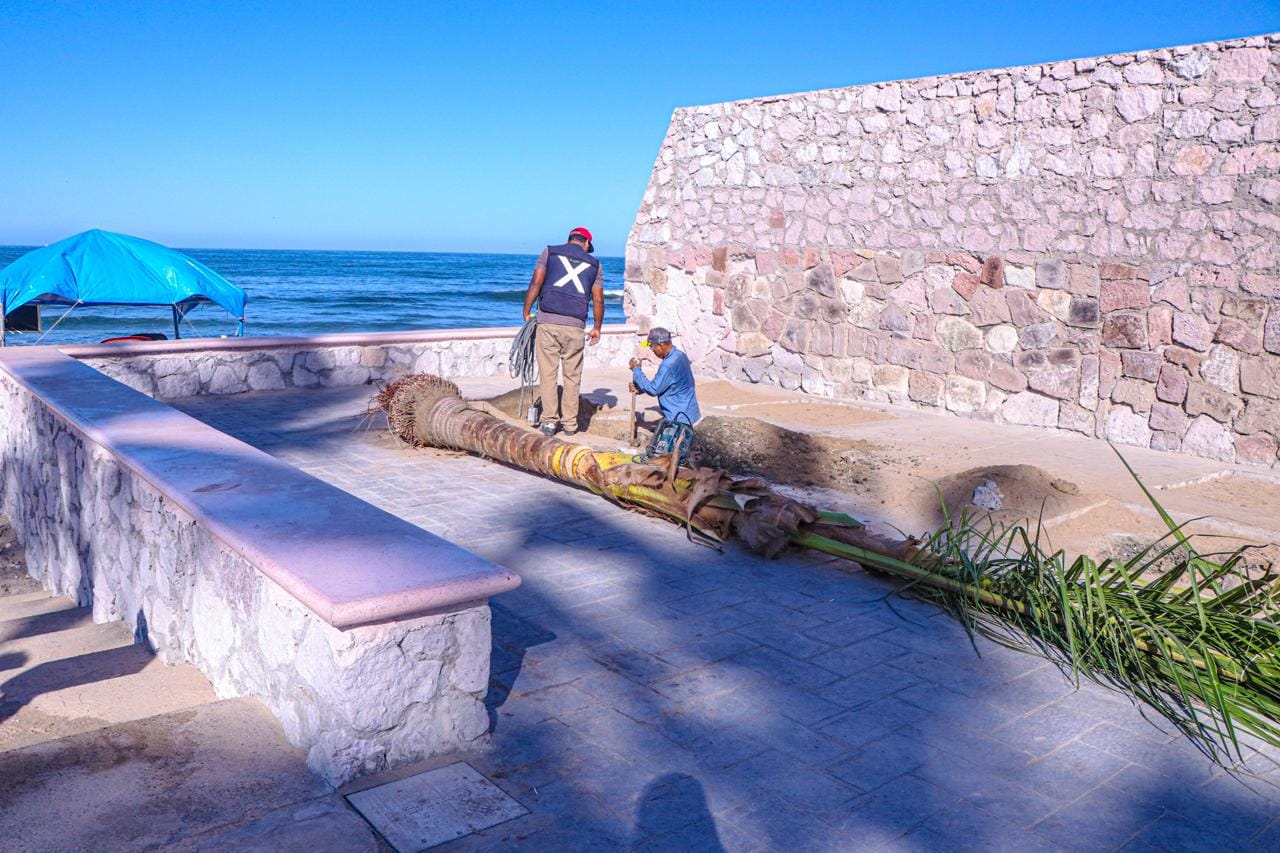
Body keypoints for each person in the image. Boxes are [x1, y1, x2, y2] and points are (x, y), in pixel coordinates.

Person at [522, 227, 605, 436]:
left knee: (548, 374)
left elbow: (536, 282)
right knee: (572, 376)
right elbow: (598, 299)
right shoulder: (595, 264)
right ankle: (570, 424)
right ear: (586, 243)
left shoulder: (550, 252)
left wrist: (526, 310)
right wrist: (597, 327)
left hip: (548, 322)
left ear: (569, 239)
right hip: (575, 326)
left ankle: (549, 422)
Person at [630, 327, 701, 463]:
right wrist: (640, 388)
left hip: (679, 418)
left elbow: (653, 389)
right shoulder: (679, 355)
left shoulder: (668, 365)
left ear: (661, 345)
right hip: (689, 411)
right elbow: (664, 384)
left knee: (661, 457)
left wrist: (637, 371)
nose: (652, 351)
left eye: (652, 347)